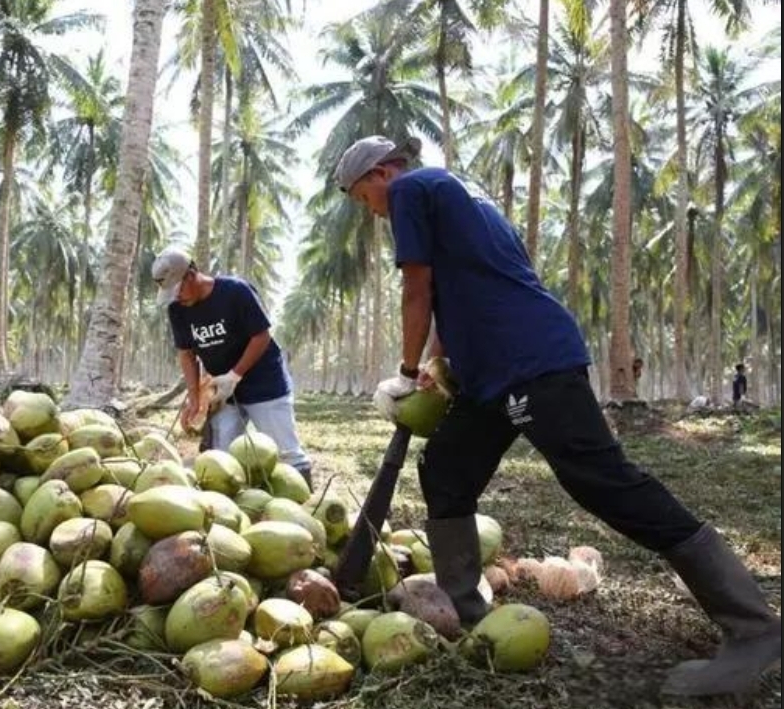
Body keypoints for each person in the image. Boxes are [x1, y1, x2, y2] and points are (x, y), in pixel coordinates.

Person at [333, 135, 780, 697]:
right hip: (491, 374)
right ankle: (471, 618)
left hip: (530, 364)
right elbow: (464, 288)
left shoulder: (412, 190)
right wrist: (436, 360)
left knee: (606, 485)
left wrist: (401, 369)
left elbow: (417, 287)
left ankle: (752, 625)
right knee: (445, 468)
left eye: (362, 199)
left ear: (379, 174)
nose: (371, 212)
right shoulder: (462, 195)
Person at [151, 246, 312, 485]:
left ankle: (306, 509)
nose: (177, 297)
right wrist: (195, 397)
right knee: (221, 456)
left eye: (178, 289)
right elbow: (187, 354)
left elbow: (261, 336)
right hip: (222, 392)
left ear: (191, 273)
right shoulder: (178, 309)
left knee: (287, 453)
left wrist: (235, 375)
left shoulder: (235, 292)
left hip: (264, 383)